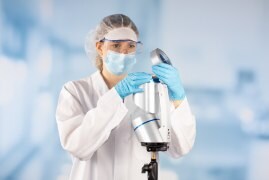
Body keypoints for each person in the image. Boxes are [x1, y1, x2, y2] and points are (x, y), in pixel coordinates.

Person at [55, 14, 196, 180]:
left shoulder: (150, 92)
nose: (124, 53)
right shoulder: (75, 91)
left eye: (131, 46)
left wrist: (179, 98)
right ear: (100, 47)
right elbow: (77, 147)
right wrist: (116, 95)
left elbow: (180, 148)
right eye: (116, 45)